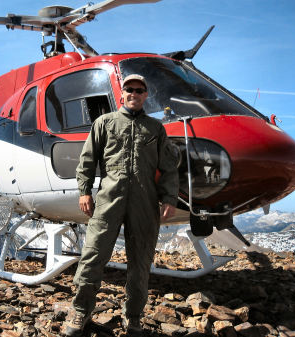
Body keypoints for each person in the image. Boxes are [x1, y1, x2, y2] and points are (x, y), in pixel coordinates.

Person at [66, 74, 179, 336]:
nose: (134, 94)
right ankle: (81, 310)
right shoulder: (104, 123)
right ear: (122, 93)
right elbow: (87, 160)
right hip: (108, 200)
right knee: (93, 255)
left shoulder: (156, 129)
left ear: (145, 95)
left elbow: (169, 168)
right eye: (130, 89)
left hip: (144, 203)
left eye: (140, 90)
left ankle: (134, 317)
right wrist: (84, 191)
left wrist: (169, 198)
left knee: (140, 263)